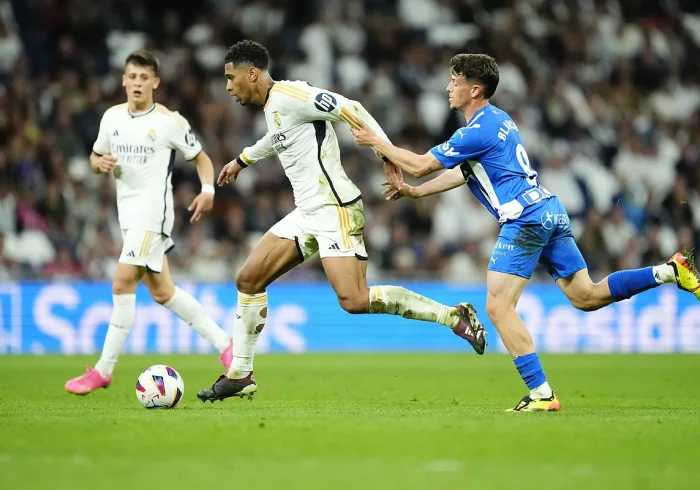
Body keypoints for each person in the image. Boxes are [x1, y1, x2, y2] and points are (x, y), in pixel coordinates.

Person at [351, 53, 700, 412]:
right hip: (549, 209)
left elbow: (422, 164)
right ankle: (669, 271)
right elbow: (464, 173)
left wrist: (376, 142)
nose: (447, 87)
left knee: (499, 306)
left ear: (474, 89)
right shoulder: (499, 120)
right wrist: (413, 192)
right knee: (586, 296)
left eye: (454, 81)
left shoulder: (475, 130)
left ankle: (542, 394)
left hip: (525, 218)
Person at [195, 40, 486, 403]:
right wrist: (243, 159)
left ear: (250, 73)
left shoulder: (291, 95)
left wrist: (386, 153)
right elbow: (281, 136)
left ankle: (453, 315)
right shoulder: (274, 106)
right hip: (307, 213)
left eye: (230, 77)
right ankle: (240, 374)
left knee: (354, 299)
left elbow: (352, 107)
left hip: (335, 209)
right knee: (248, 278)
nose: (226, 86)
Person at [65, 50, 232, 395]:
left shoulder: (168, 122)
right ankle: (226, 345)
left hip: (153, 214)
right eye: (132, 76)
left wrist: (207, 190)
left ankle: (102, 371)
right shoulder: (112, 118)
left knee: (121, 283)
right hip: (127, 216)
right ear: (123, 80)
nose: (137, 83)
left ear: (155, 82)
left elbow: (201, 159)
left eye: (144, 78)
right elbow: (95, 156)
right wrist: (99, 164)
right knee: (163, 293)